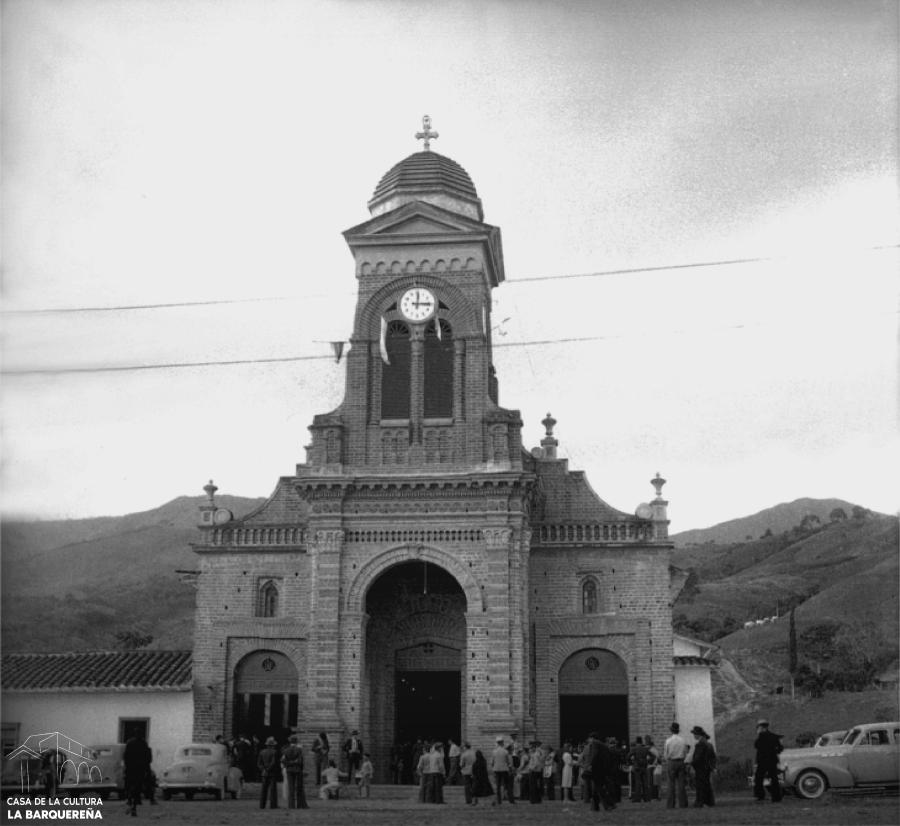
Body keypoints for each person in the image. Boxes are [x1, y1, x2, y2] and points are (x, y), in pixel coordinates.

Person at [753, 719, 783, 802]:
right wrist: (774, 752)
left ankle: (760, 795)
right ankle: (776, 797)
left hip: (762, 761)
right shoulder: (774, 736)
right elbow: (780, 748)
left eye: (759, 727)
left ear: (762, 728)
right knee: (774, 778)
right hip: (772, 761)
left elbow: (756, 745)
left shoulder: (760, 737)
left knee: (758, 778)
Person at [123, 733, 152, 817]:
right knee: (138, 787)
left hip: (131, 768)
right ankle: (135, 805)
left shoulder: (129, 743)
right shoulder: (143, 743)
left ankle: (129, 800)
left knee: (129, 785)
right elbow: (148, 757)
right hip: (140, 768)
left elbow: (125, 756)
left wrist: (126, 766)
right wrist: (147, 768)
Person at [589, 733, 617, 812]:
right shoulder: (604, 746)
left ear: (592, 738)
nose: (589, 741)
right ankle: (595, 807)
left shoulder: (595, 743)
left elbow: (594, 754)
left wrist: (590, 765)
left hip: (597, 769)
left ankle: (609, 804)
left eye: (589, 739)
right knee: (596, 788)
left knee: (599, 788)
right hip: (604, 770)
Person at [664, 722, 689, 809]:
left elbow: (665, 754)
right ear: (678, 730)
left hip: (671, 762)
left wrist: (668, 759)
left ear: (671, 730)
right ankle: (683, 803)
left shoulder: (668, 741)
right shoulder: (683, 740)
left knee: (671, 784)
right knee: (681, 784)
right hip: (681, 762)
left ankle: (670, 804)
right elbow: (686, 752)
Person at [689, 726, 716, 807]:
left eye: (694, 734)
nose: (693, 735)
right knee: (707, 784)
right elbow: (713, 757)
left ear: (698, 734)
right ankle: (709, 801)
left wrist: (692, 763)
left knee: (701, 785)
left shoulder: (700, 744)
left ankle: (701, 802)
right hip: (707, 767)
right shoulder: (708, 744)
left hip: (701, 768)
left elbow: (698, 757)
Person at [281, 734, 308, 809]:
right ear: (296, 741)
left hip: (289, 770)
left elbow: (284, 761)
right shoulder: (299, 750)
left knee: (291, 788)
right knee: (299, 787)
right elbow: (300, 761)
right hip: (297, 770)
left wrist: (290, 763)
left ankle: (291, 805)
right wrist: (295, 762)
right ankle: (299, 804)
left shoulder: (286, 750)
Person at [489, 736, 514, 805]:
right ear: (502, 743)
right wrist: (510, 769)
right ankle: (511, 800)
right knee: (508, 785)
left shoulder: (494, 752)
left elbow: (491, 762)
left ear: (497, 743)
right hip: (505, 769)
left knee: (498, 786)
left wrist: (492, 768)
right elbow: (509, 762)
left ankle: (499, 800)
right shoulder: (505, 751)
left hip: (496, 770)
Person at [257, 736, 281, 809]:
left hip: (264, 773)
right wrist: (268, 769)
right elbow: (273, 763)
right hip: (272, 772)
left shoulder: (262, 752)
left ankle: (262, 805)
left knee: (263, 790)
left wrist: (263, 769)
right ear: (273, 745)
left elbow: (259, 763)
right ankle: (273, 805)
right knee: (273, 790)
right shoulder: (274, 752)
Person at [629, 736, 651, 803]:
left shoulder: (634, 749)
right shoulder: (645, 749)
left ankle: (637, 799)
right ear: (641, 742)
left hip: (637, 767)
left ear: (636, 742)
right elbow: (652, 756)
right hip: (644, 767)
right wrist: (648, 762)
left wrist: (631, 763)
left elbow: (628, 756)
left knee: (637, 783)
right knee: (645, 783)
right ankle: (646, 798)